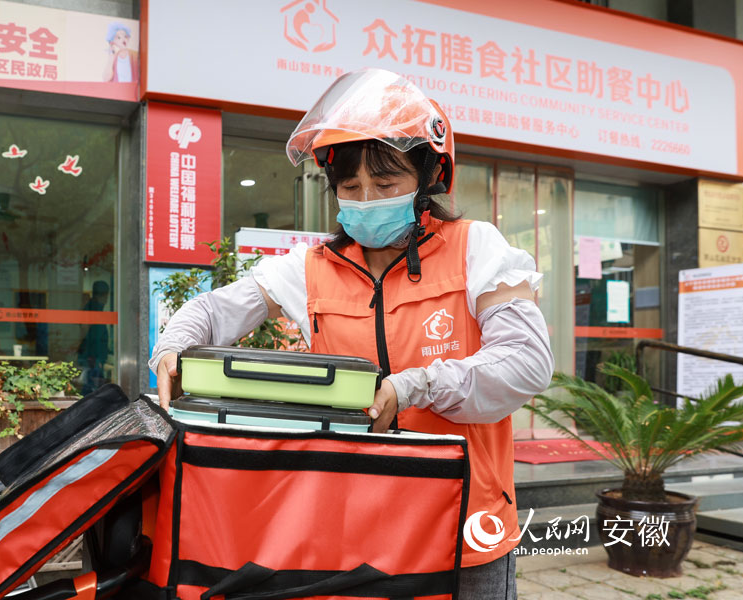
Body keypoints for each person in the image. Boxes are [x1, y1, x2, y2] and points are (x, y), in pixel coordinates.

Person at [148, 68, 554, 599]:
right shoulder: (313, 266)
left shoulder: (478, 250)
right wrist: (173, 348)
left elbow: (525, 361)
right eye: (350, 186)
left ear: (428, 178)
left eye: (385, 184)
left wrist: (413, 386)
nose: (366, 198)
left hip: (465, 520)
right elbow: (212, 310)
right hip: (350, 521)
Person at [78, 280, 111, 394]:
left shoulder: (94, 307)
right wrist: (97, 358)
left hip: (93, 357)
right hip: (92, 358)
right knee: (92, 388)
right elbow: (87, 332)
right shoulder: (93, 308)